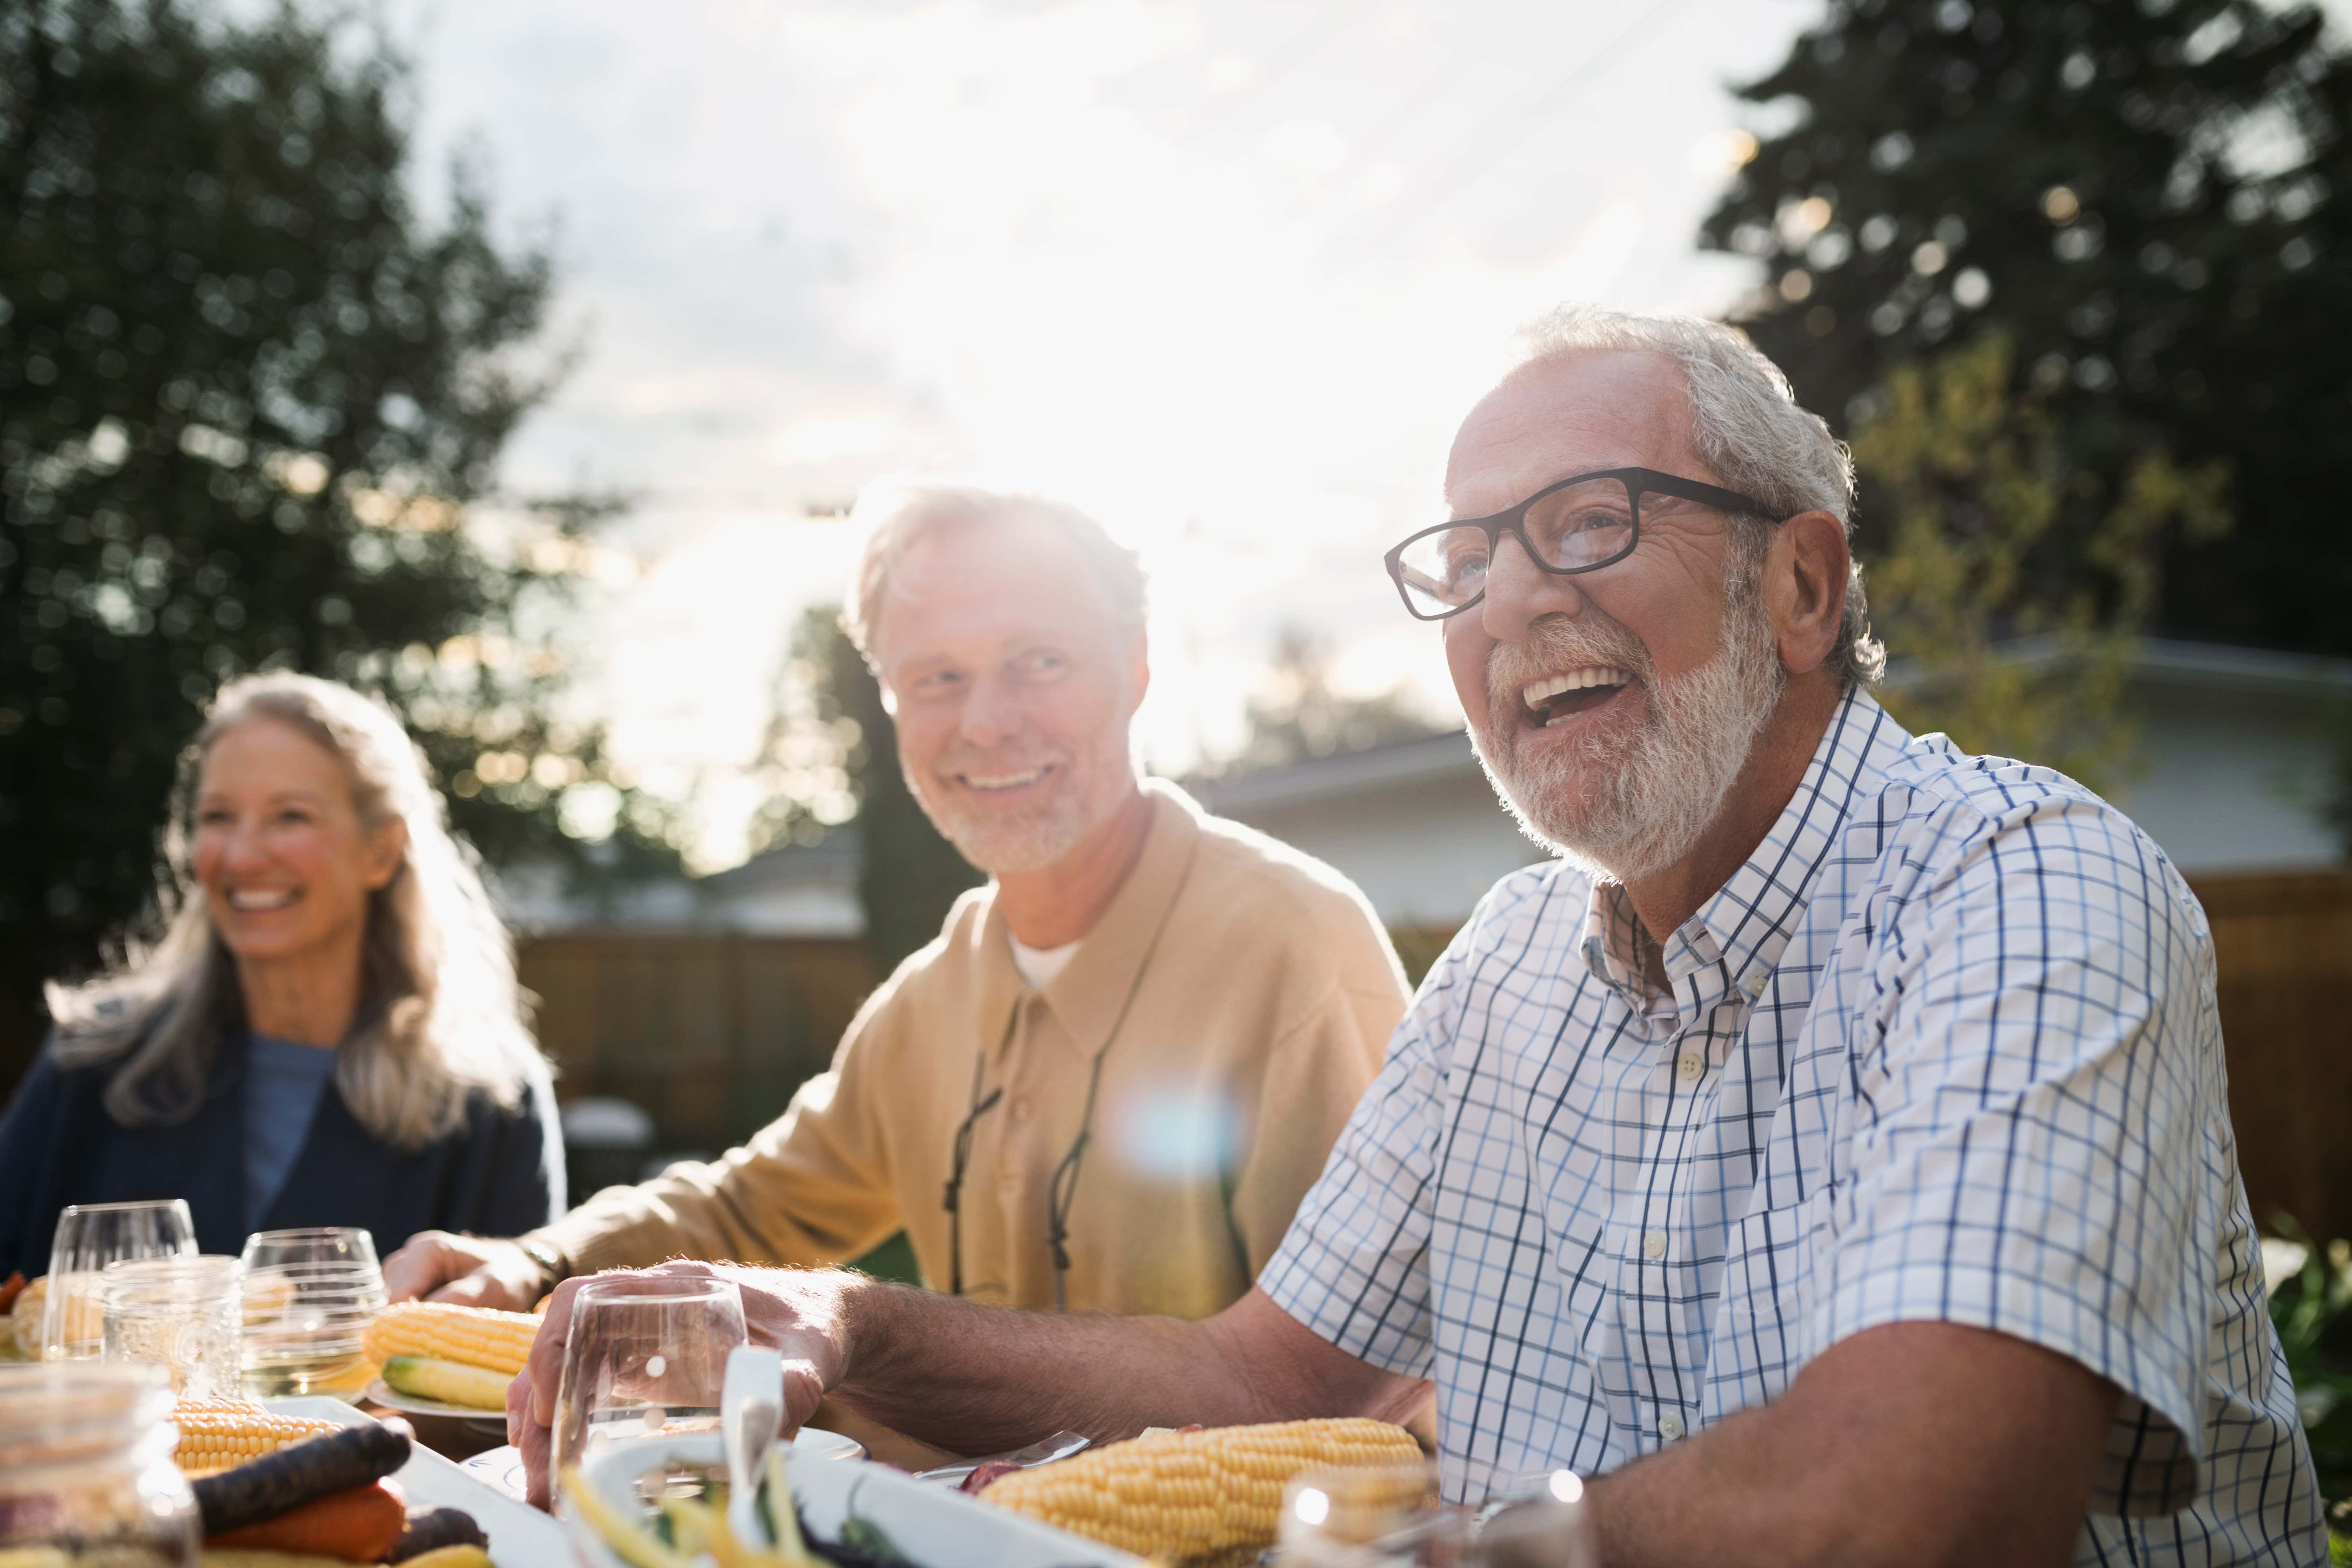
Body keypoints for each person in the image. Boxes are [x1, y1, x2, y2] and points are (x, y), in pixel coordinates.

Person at [511, 311, 2320, 1563]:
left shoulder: (2025, 889)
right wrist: (839, 1325)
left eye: (1589, 524)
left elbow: (1909, 1517)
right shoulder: (1516, 961)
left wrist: (1433, 1544)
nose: (1514, 596)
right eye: (1469, 557)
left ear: (1802, 584)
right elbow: (1260, 1377)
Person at [386, 484, 1409, 1325]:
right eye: (937, 678)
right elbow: (750, 1208)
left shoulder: (1295, 948)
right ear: (889, 706)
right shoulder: (935, 998)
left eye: (1038, 662)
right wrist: (536, 1263)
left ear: (1136, 667)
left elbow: (1368, 1373)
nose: (987, 722)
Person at [0, 673, 562, 1272]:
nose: (242, 857)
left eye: (290, 816)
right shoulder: (91, 1062)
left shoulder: (490, 1102)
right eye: (218, 816)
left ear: (381, 850)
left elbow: (523, 1344)